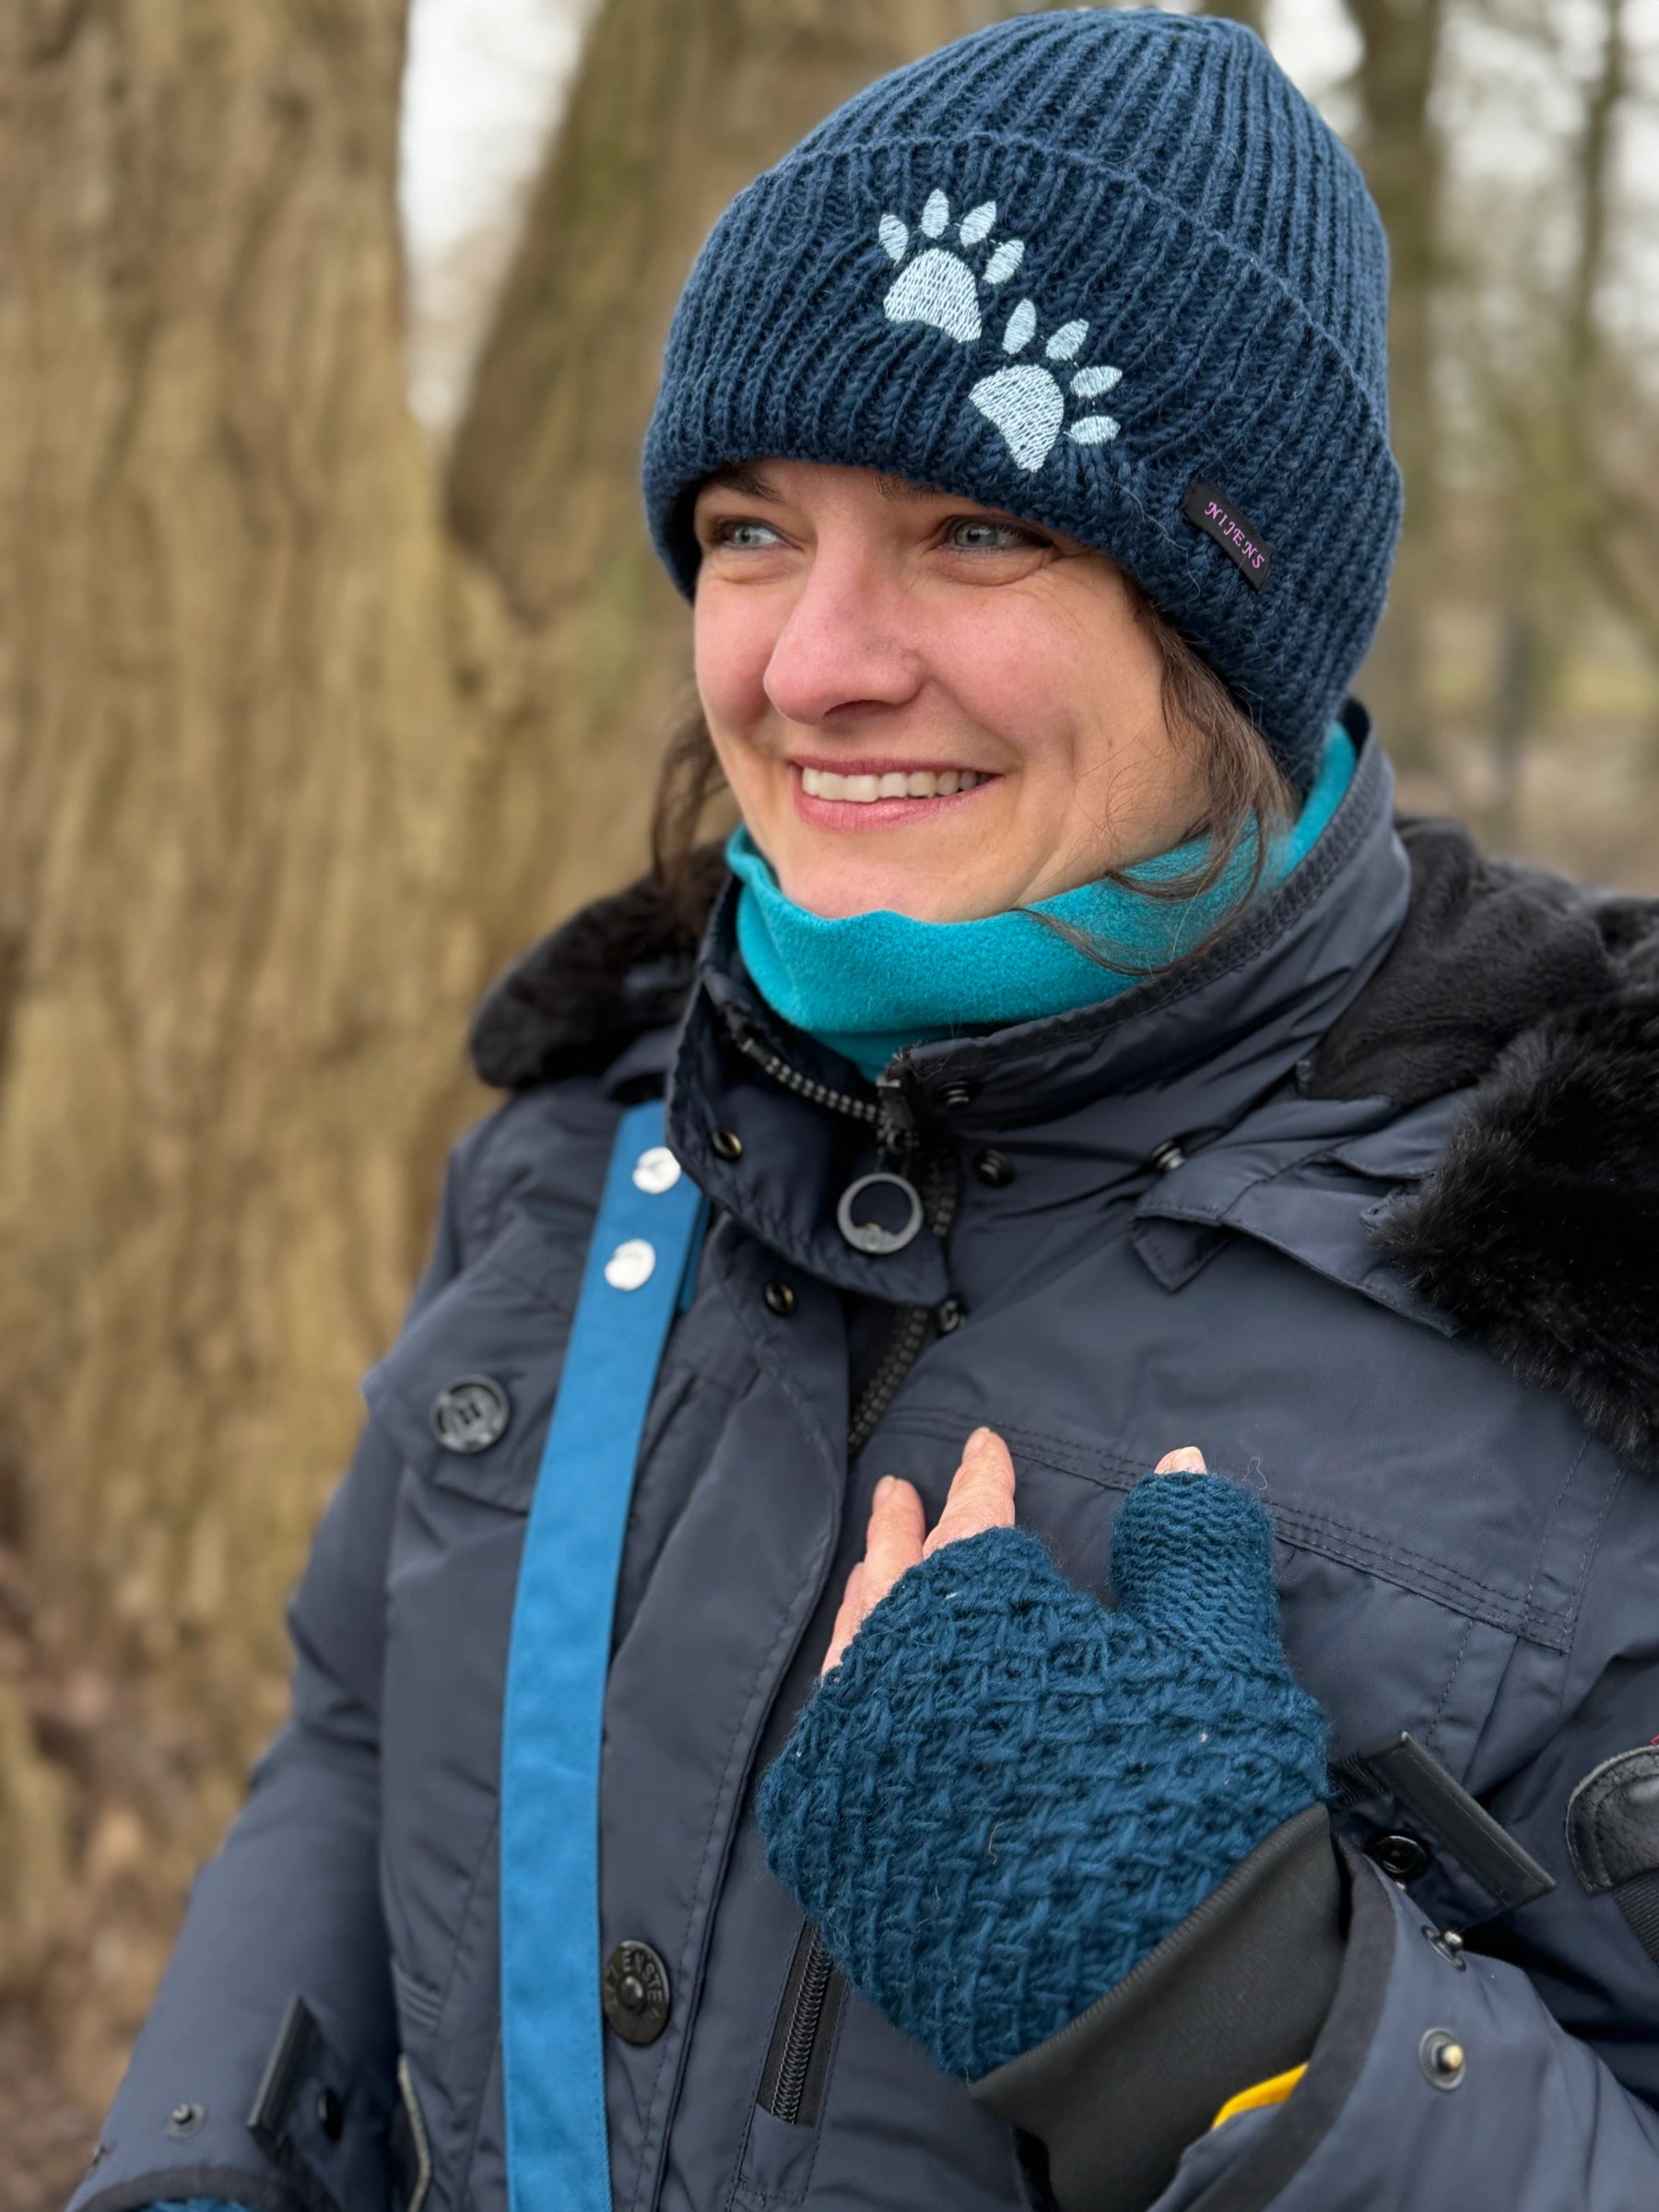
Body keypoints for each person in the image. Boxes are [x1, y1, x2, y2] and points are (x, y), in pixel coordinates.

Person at [69, 13, 1659, 2212]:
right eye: (747, 529)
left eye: (976, 524)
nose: (812, 663)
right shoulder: (591, 1137)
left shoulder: (1588, 1277)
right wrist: (198, 2168)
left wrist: (1233, 2018)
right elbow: (362, 1740)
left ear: (1239, 619)